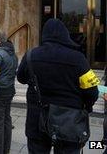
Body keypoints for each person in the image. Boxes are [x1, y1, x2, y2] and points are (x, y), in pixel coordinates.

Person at [17, 19, 99, 154]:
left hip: (37, 120)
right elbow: (92, 92)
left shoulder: (31, 55)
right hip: (69, 121)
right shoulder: (78, 59)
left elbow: (21, 78)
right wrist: (86, 107)